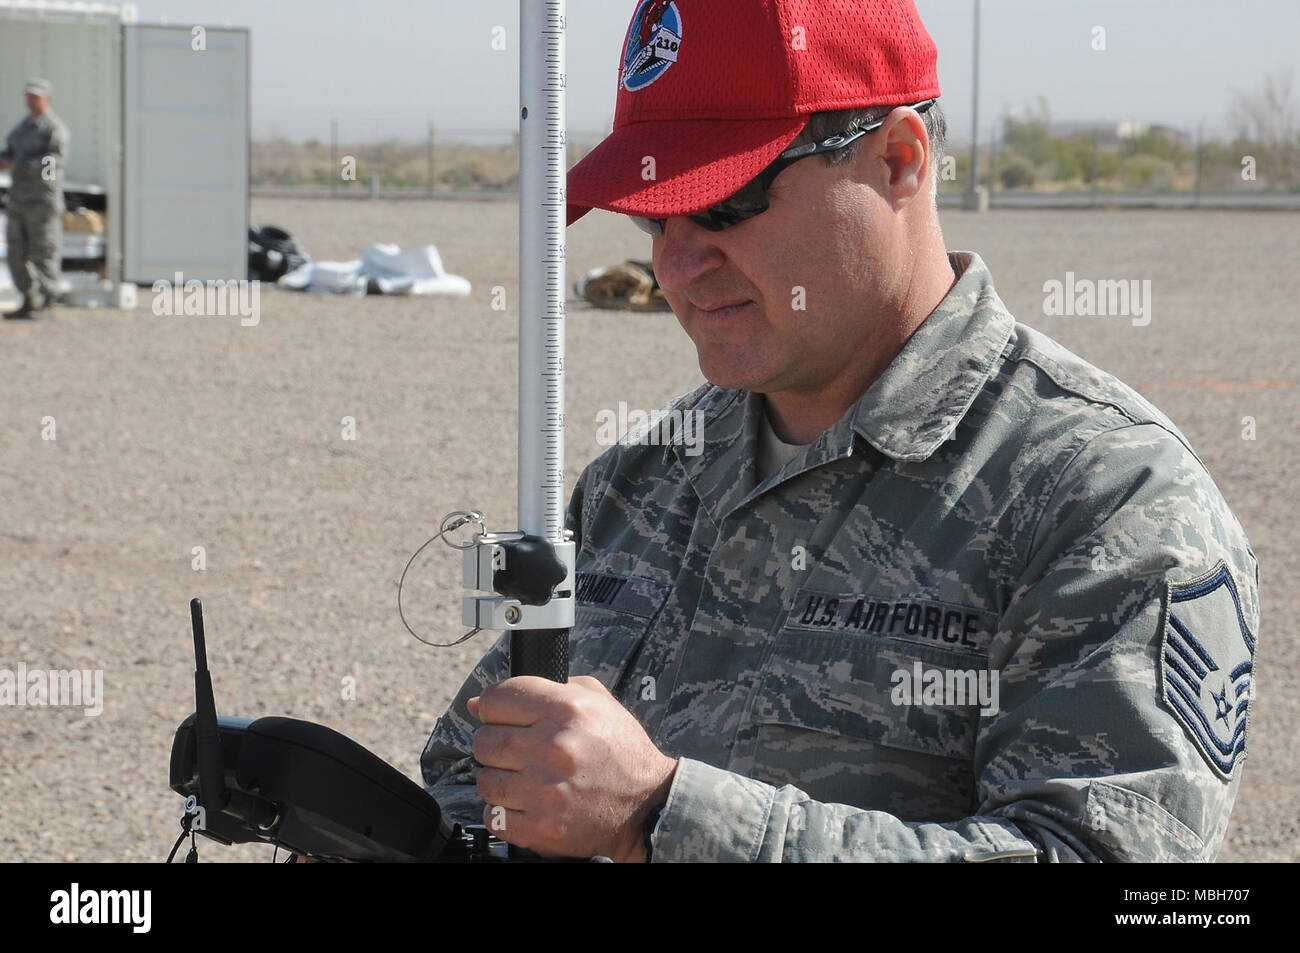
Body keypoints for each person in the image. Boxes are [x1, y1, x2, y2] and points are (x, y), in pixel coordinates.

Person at [421, 0, 1260, 862]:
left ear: (899, 160)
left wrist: (661, 817)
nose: (675, 264)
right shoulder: (645, 479)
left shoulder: (1105, 498)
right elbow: (476, 775)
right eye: (652, 216)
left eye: (726, 203)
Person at [1, 78, 69, 320]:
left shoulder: (53, 129)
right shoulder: (22, 129)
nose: (32, 101)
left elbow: (54, 164)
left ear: (47, 100)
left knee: (44, 253)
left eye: (36, 97)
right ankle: (28, 301)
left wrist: (25, 165)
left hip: (42, 203)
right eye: (29, 96)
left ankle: (47, 302)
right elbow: (9, 150)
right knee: (16, 253)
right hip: (19, 201)